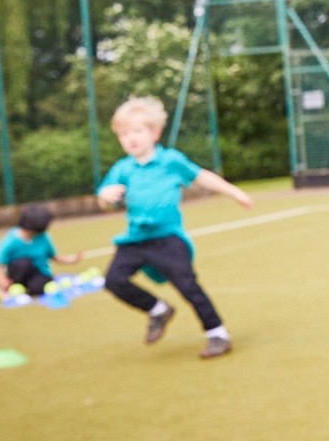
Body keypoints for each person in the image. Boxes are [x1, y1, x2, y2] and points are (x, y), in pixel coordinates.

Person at [97, 96, 252, 358]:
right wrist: (105, 197)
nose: (130, 138)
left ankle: (217, 334)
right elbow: (104, 201)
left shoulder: (170, 161)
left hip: (168, 239)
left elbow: (201, 176)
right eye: (124, 133)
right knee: (113, 280)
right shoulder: (122, 169)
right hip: (135, 240)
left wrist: (232, 191)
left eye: (137, 131)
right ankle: (157, 309)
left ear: (154, 132)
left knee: (187, 284)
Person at [0, 203, 83, 296]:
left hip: (39, 272)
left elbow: (54, 256)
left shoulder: (43, 238)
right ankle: (15, 287)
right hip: (18, 273)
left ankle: (30, 288)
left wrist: (72, 259)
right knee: (23, 263)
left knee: (39, 288)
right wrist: (3, 282)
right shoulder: (10, 241)